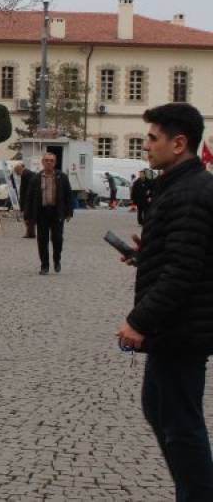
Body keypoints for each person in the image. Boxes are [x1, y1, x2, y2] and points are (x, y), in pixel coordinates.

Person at [116, 103, 213, 500]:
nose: (145, 145)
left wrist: (138, 322)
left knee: (180, 424)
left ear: (179, 144)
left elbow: (182, 272)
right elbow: (187, 254)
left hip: (182, 328)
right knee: (159, 407)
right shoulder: (178, 187)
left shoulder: (190, 193)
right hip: (175, 327)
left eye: (153, 138)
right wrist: (147, 252)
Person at [23, 153, 73, 275]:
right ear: (43, 162)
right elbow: (29, 197)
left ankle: (57, 260)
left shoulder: (62, 177)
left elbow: (68, 195)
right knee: (42, 240)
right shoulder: (36, 178)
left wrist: (69, 212)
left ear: (55, 162)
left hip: (57, 212)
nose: (49, 163)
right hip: (42, 213)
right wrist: (27, 216)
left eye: (51, 160)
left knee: (57, 239)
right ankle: (44, 265)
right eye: (46, 160)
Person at [10, 162, 35, 238]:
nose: (17, 175)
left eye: (17, 173)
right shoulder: (30, 173)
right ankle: (31, 232)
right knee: (30, 217)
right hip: (31, 198)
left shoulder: (25, 174)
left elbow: (23, 189)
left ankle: (29, 233)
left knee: (27, 217)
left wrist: (21, 200)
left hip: (28, 199)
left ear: (18, 170)